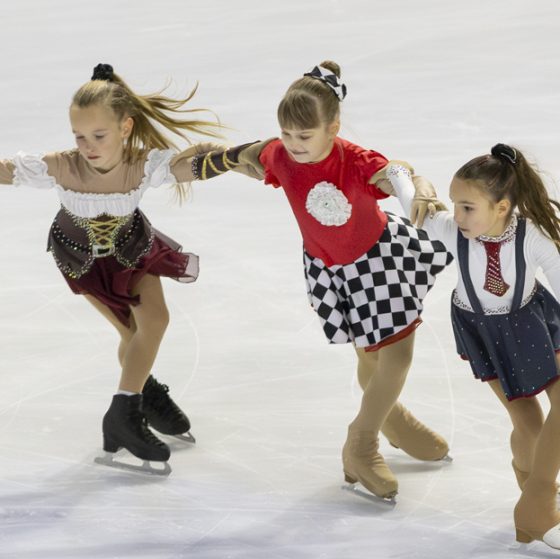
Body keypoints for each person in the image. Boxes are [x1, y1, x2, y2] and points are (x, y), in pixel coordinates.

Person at [191, 61, 453, 499]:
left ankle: (373, 429)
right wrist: (208, 160)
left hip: (378, 262)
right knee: (372, 355)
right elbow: (249, 159)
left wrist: (420, 188)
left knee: (395, 354)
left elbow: (396, 173)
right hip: (330, 269)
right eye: (288, 134)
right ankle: (376, 430)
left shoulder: (354, 161)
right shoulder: (280, 153)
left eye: (305, 136)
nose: (294, 146)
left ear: (333, 127)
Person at [0, 63, 249, 475]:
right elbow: (8, 170)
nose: (88, 146)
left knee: (154, 321)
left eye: (99, 136)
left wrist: (232, 158)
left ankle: (127, 407)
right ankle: (138, 398)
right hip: (83, 259)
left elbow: (185, 168)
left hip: (133, 249)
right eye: (80, 136)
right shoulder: (63, 166)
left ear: (125, 128)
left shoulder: (140, 165)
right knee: (133, 335)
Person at [383, 143, 560, 548]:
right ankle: (532, 492)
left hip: (534, 322)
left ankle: (538, 500)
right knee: (528, 423)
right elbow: (410, 198)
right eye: (455, 205)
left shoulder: (531, 236)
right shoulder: (449, 229)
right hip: (485, 331)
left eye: (468, 207)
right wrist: (398, 173)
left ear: (501, 207)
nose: (457, 215)